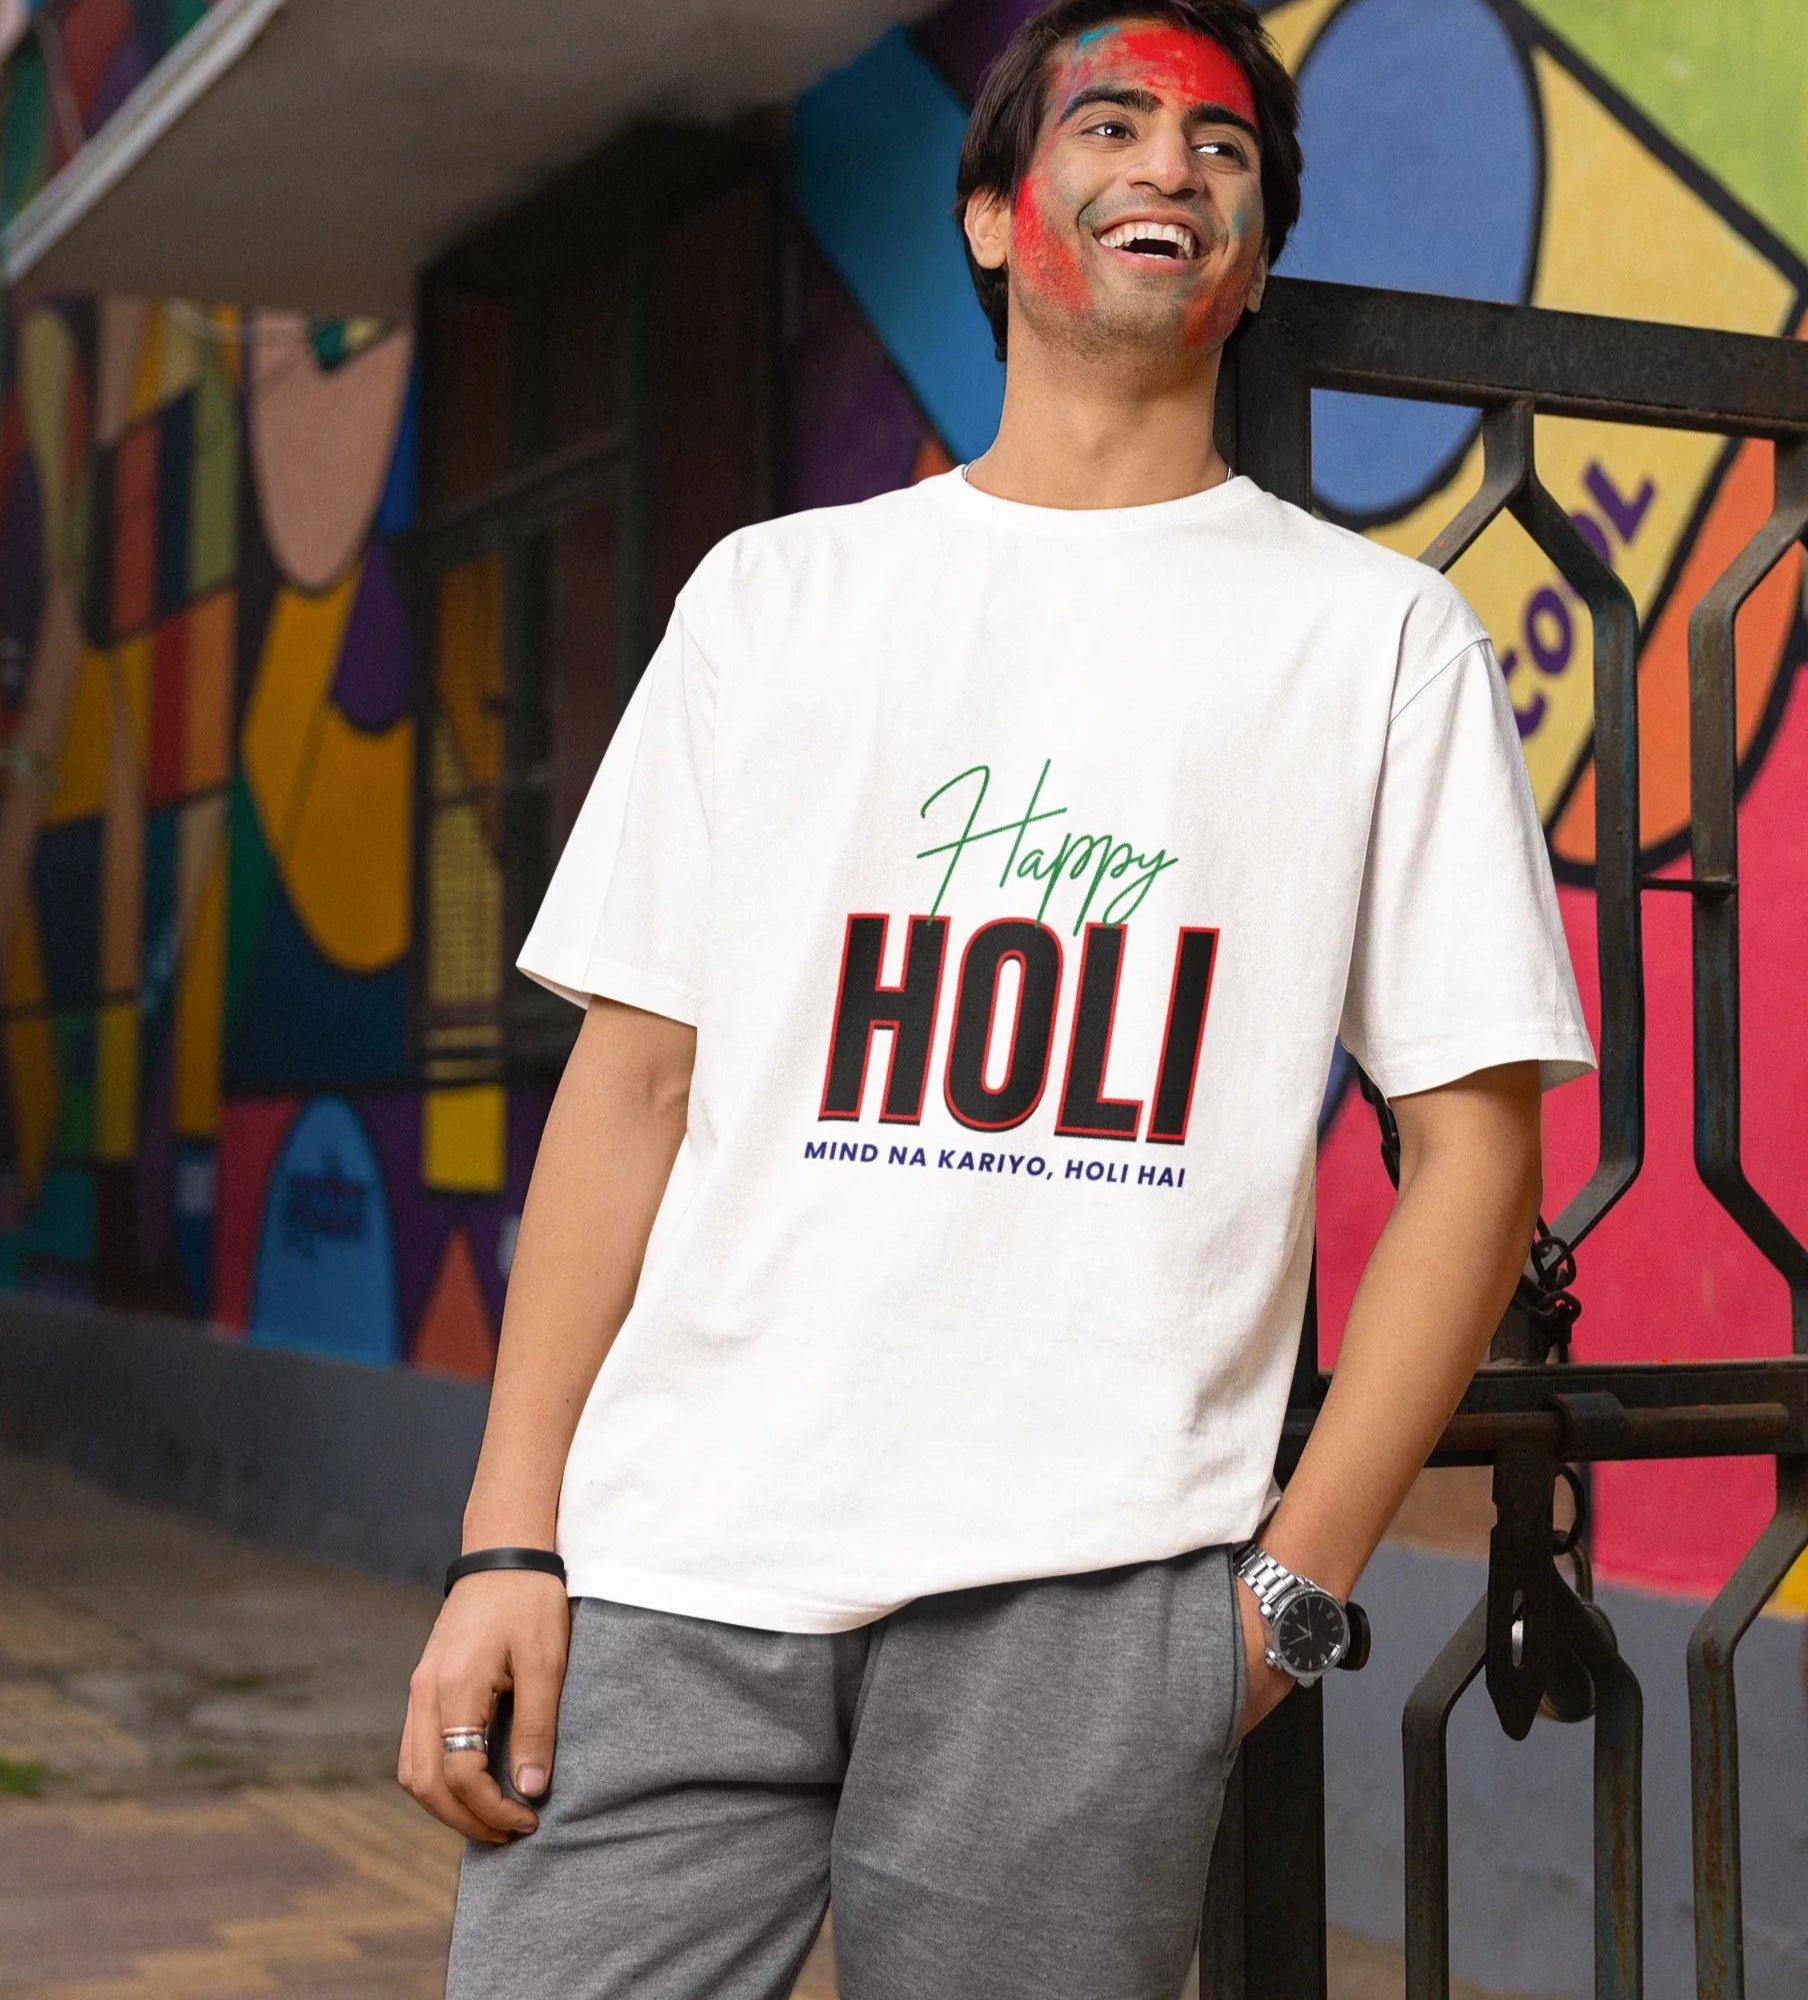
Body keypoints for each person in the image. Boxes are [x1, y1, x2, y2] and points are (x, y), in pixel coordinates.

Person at [402, 2, 1596, 1993]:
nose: (1168, 168)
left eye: (1222, 149)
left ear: (1257, 254)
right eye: (1107, 121)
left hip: (1092, 1602)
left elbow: (1473, 1146)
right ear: (987, 214)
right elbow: (628, 1087)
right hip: (678, 1563)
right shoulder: (775, 598)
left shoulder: (1373, 641)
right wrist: (508, 1538)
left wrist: (1284, 1598)